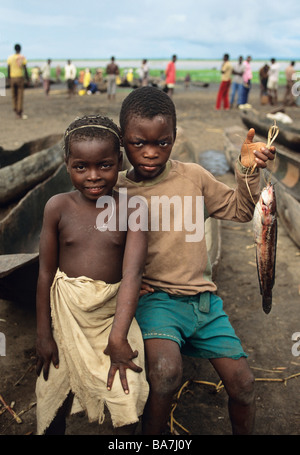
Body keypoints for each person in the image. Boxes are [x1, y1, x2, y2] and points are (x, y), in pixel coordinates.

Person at [116, 86, 276, 435]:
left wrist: (247, 170)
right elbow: (99, 247)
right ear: (122, 140)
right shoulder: (115, 192)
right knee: (165, 373)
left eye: (163, 142)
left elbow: (239, 209)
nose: (150, 153)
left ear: (173, 137)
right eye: (137, 143)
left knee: (244, 385)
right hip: (156, 301)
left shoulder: (194, 177)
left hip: (205, 304)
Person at [35, 114, 149, 435]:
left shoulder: (133, 209)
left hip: (111, 316)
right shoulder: (57, 207)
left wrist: (118, 336)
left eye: (105, 165)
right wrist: (44, 334)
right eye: (81, 167)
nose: (94, 176)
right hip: (66, 314)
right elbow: (45, 274)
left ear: (120, 161)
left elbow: (132, 274)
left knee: (125, 390)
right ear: (67, 164)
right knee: (52, 389)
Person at [7, 43, 29, 119]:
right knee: (20, 95)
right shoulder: (22, 58)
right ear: (20, 49)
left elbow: (8, 68)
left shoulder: (10, 58)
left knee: (14, 95)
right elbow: (25, 69)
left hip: (12, 78)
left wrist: (9, 78)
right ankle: (19, 112)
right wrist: (27, 78)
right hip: (20, 78)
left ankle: (16, 110)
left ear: (14, 49)